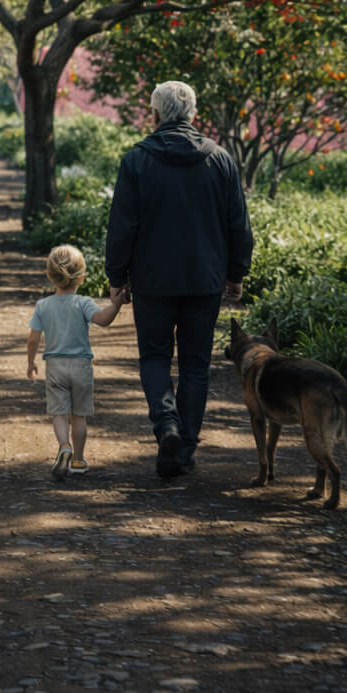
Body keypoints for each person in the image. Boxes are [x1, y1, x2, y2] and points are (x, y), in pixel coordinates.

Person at [104, 80, 253, 479]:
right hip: (205, 282)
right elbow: (238, 223)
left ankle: (167, 425)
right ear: (193, 115)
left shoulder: (137, 160)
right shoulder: (220, 159)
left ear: (154, 115)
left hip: (153, 280)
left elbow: (122, 226)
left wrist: (117, 276)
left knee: (154, 358)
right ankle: (184, 448)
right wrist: (236, 273)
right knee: (195, 365)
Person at [26, 244, 129, 480]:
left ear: (50, 276)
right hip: (81, 366)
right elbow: (103, 321)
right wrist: (115, 305)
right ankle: (79, 459)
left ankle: (64, 446)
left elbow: (33, 339)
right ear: (81, 278)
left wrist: (31, 363)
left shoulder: (43, 306)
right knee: (79, 416)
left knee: (60, 414)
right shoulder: (83, 303)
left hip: (55, 366)